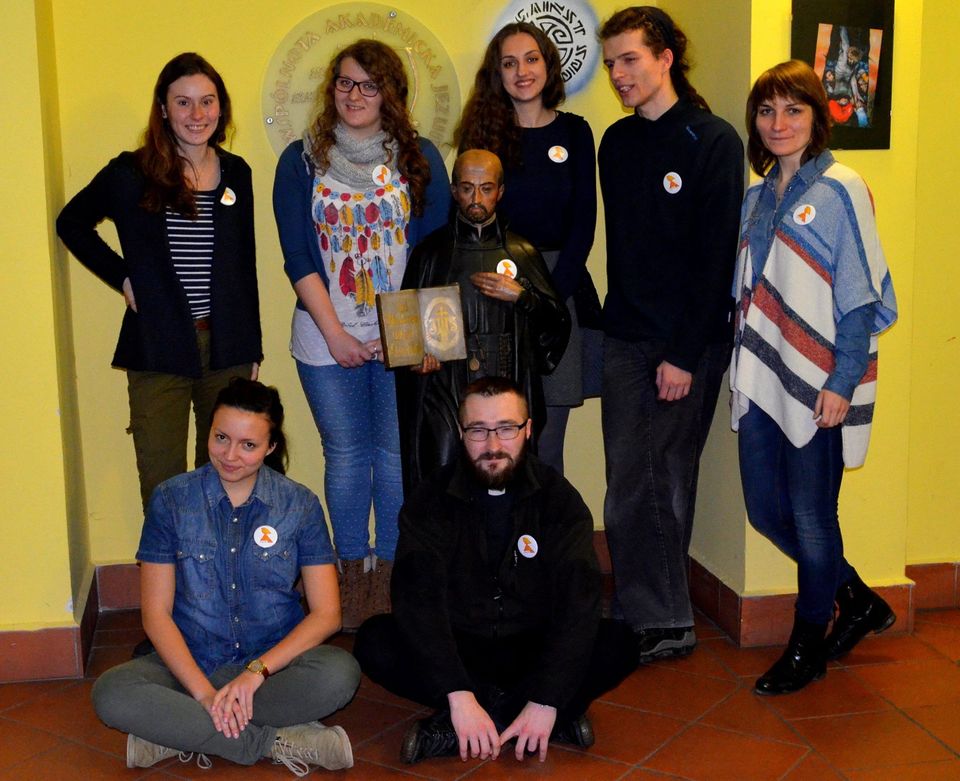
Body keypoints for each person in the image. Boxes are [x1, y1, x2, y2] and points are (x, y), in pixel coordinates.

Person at [354, 377, 637, 764]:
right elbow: (417, 598)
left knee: (620, 643)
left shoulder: (559, 499)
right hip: (460, 647)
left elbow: (580, 597)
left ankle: (486, 723)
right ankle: (526, 719)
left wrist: (546, 697)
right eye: (478, 430)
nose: (492, 445)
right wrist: (458, 693)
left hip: (533, 647)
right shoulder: (430, 499)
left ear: (528, 429)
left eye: (506, 428)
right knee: (375, 641)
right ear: (460, 433)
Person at [730, 60, 898, 695]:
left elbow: (860, 297)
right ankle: (856, 598)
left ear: (816, 117)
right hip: (761, 376)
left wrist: (841, 381)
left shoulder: (842, 189)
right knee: (765, 508)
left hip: (819, 381)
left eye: (793, 109)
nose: (778, 123)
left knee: (812, 515)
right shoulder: (756, 197)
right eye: (766, 111)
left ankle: (807, 646)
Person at [91, 379, 360, 774]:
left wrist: (254, 674)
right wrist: (203, 694)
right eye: (221, 438)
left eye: (248, 445)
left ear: (271, 447)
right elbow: (156, 615)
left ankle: (176, 732)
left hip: (272, 670)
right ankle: (274, 742)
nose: (231, 455)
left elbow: (327, 615)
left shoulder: (300, 505)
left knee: (339, 674)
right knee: (112, 693)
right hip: (188, 665)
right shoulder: (171, 500)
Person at [273, 39, 450, 628]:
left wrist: (418, 338)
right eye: (346, 83)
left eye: (369, 85)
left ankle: (393, 574)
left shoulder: (420, 157)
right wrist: (338, 336)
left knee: (396, 458)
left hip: (402, 335)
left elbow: (434, 254)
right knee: (347, 457)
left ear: (390, 93)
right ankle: (351, 574)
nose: (355, 95)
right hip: (325, 337)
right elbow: (297, 256)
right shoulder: (300, 161)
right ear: (332, 89)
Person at [597, 7, 744, 661]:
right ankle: (642, 607)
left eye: (629, 59)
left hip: (686, 344)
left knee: (658, 476)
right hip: (625, 336)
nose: (618, 75)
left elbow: (716, 259)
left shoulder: (713, 141)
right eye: (611, 64)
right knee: (631, 477)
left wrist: (683, 354)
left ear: (665, 58)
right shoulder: (616, 143)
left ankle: (665, 621)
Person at [57, 52, 262, 512]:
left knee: (226, 480)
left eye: (207, 101)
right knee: (163, 485)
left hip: (226, 348)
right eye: (183, 102)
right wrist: (123, 277)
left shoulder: (237, 173)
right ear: (164, 109)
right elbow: (71, 222)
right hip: (157, 347)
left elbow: (243, 264)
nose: (197, 114)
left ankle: (216, 562)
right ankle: (168, 562)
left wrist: (251, 346)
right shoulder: (131, 173)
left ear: (221, 107)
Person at [455, 22, 599, 474]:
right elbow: (466, 221)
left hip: (559, 290)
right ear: (496, 73)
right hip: (492, 291)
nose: (522, 71)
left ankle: (543, 522)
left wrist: (545, 299)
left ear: (548, 65)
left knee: (547, 441)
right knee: (493, 434)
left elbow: (584, 225)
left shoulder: (575, 132)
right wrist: (503, 296)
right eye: (509, 63)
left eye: (531, 59)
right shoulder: (481, 136)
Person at [397, 149, 570, 492]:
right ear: (453, 191)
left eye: (486, 188)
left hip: (507, 385)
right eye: (467, 188)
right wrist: (416, 359)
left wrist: (522, 297)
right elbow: (404, 332)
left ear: (500, 192)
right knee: (442, 480)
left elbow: (556, 326)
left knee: (509, 481)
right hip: (446, 392)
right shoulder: (430, 254)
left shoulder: (521, 253)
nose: (476, 199)